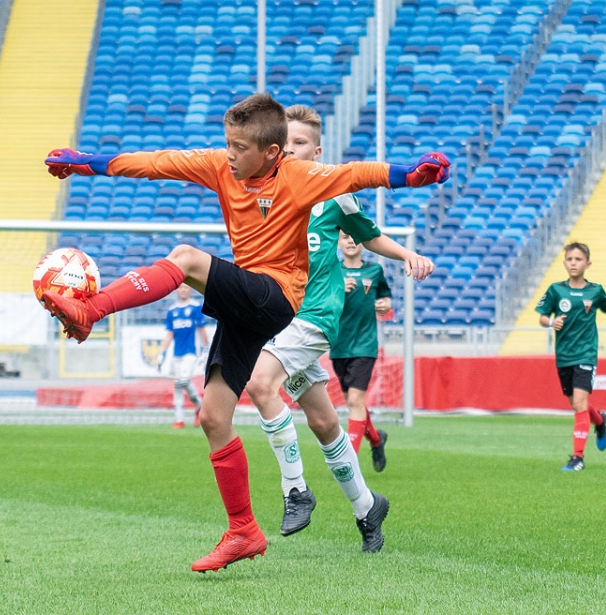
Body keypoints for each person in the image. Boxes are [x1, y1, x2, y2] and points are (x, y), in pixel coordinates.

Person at [42, 93, 450, 572]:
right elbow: (154, 162)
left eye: (239, 146)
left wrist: (412, 174)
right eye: (228, 144)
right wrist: (85, 164)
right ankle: (245, 531)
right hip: (247, 305)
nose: (229, 153)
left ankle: (91, 310)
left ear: (272, 153)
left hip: (282, 300)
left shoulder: (304, 177)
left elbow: (363, 173)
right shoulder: (220, 166)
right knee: (214, 417)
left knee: (187, 258)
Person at [246, 105, 433, 546]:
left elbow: (367, 235)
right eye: (285, 143)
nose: (290, 150)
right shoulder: (260, 193)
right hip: (278, 315)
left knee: (259, 383)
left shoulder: (333, 192)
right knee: (324, 422)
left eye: (300, 143)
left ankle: (295, 491)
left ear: (317, 151)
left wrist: (407, 255)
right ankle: (368, 507)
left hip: (315, 315)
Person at [535, 242, 606, 471]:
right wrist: (550, 322)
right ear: (564, 263)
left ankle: (577, 457)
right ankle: (601, 421)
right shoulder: (556, 290)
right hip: (564, 355)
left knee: (581, 403)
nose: (574, 263)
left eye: (578, 259)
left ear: (588, 263)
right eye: (570, 259)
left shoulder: (595, 290)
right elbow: (542, 316)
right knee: (576, 404)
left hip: (586, 354)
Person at [332, 231, 392, 472]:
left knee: (356, 400)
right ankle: (377, 440)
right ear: (338, 241)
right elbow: (316, 300)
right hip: (339, 345)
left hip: (365, 344)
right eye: (345, 236)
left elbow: (385, 297)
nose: (351, 241)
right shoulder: (331, 271)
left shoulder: (375, 270)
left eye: (355, 237)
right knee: (352, 403)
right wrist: (336, 289)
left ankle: (349, 463)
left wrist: (385, 304)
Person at [158, 283, 208, 429]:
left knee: (183, 381)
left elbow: (202, 329)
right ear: (177, 290)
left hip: (190, 353)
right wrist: (162, 352)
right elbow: (170, 334)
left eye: (186, 288)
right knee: (178, 385)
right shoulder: (172, 311)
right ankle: (179, 419)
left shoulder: (195, 307)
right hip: (176, 354)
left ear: (190, 289)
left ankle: (200, 406)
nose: (183, 290)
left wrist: (206, 350)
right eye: (181, 288)